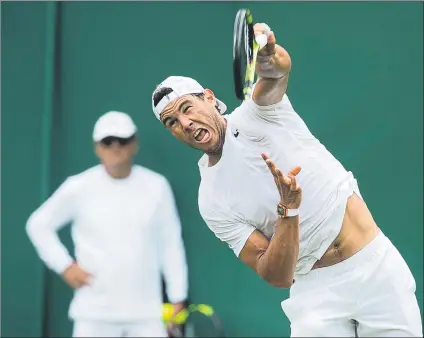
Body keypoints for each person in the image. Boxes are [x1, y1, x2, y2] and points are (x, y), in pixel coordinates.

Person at [150, 22, 422, 337]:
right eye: (172, 121)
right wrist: (288, 212)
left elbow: (276, 72)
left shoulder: (258, 113)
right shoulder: (210, 199)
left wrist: (268, 54)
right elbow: (276, 275)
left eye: (187, 108)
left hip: (375, 269)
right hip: (316, 295)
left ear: (209, 98)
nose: (184, 122)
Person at [26, 111, 189, 337]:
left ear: (134, 144)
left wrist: (177, 296)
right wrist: (64, 266)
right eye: (108, 141)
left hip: (146, 315)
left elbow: (170, 243)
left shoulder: (157, 187)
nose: (116, 147)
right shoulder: (79, 187)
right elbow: (38, 225)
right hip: (93, 313)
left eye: (123, 140)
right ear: (97, 147)